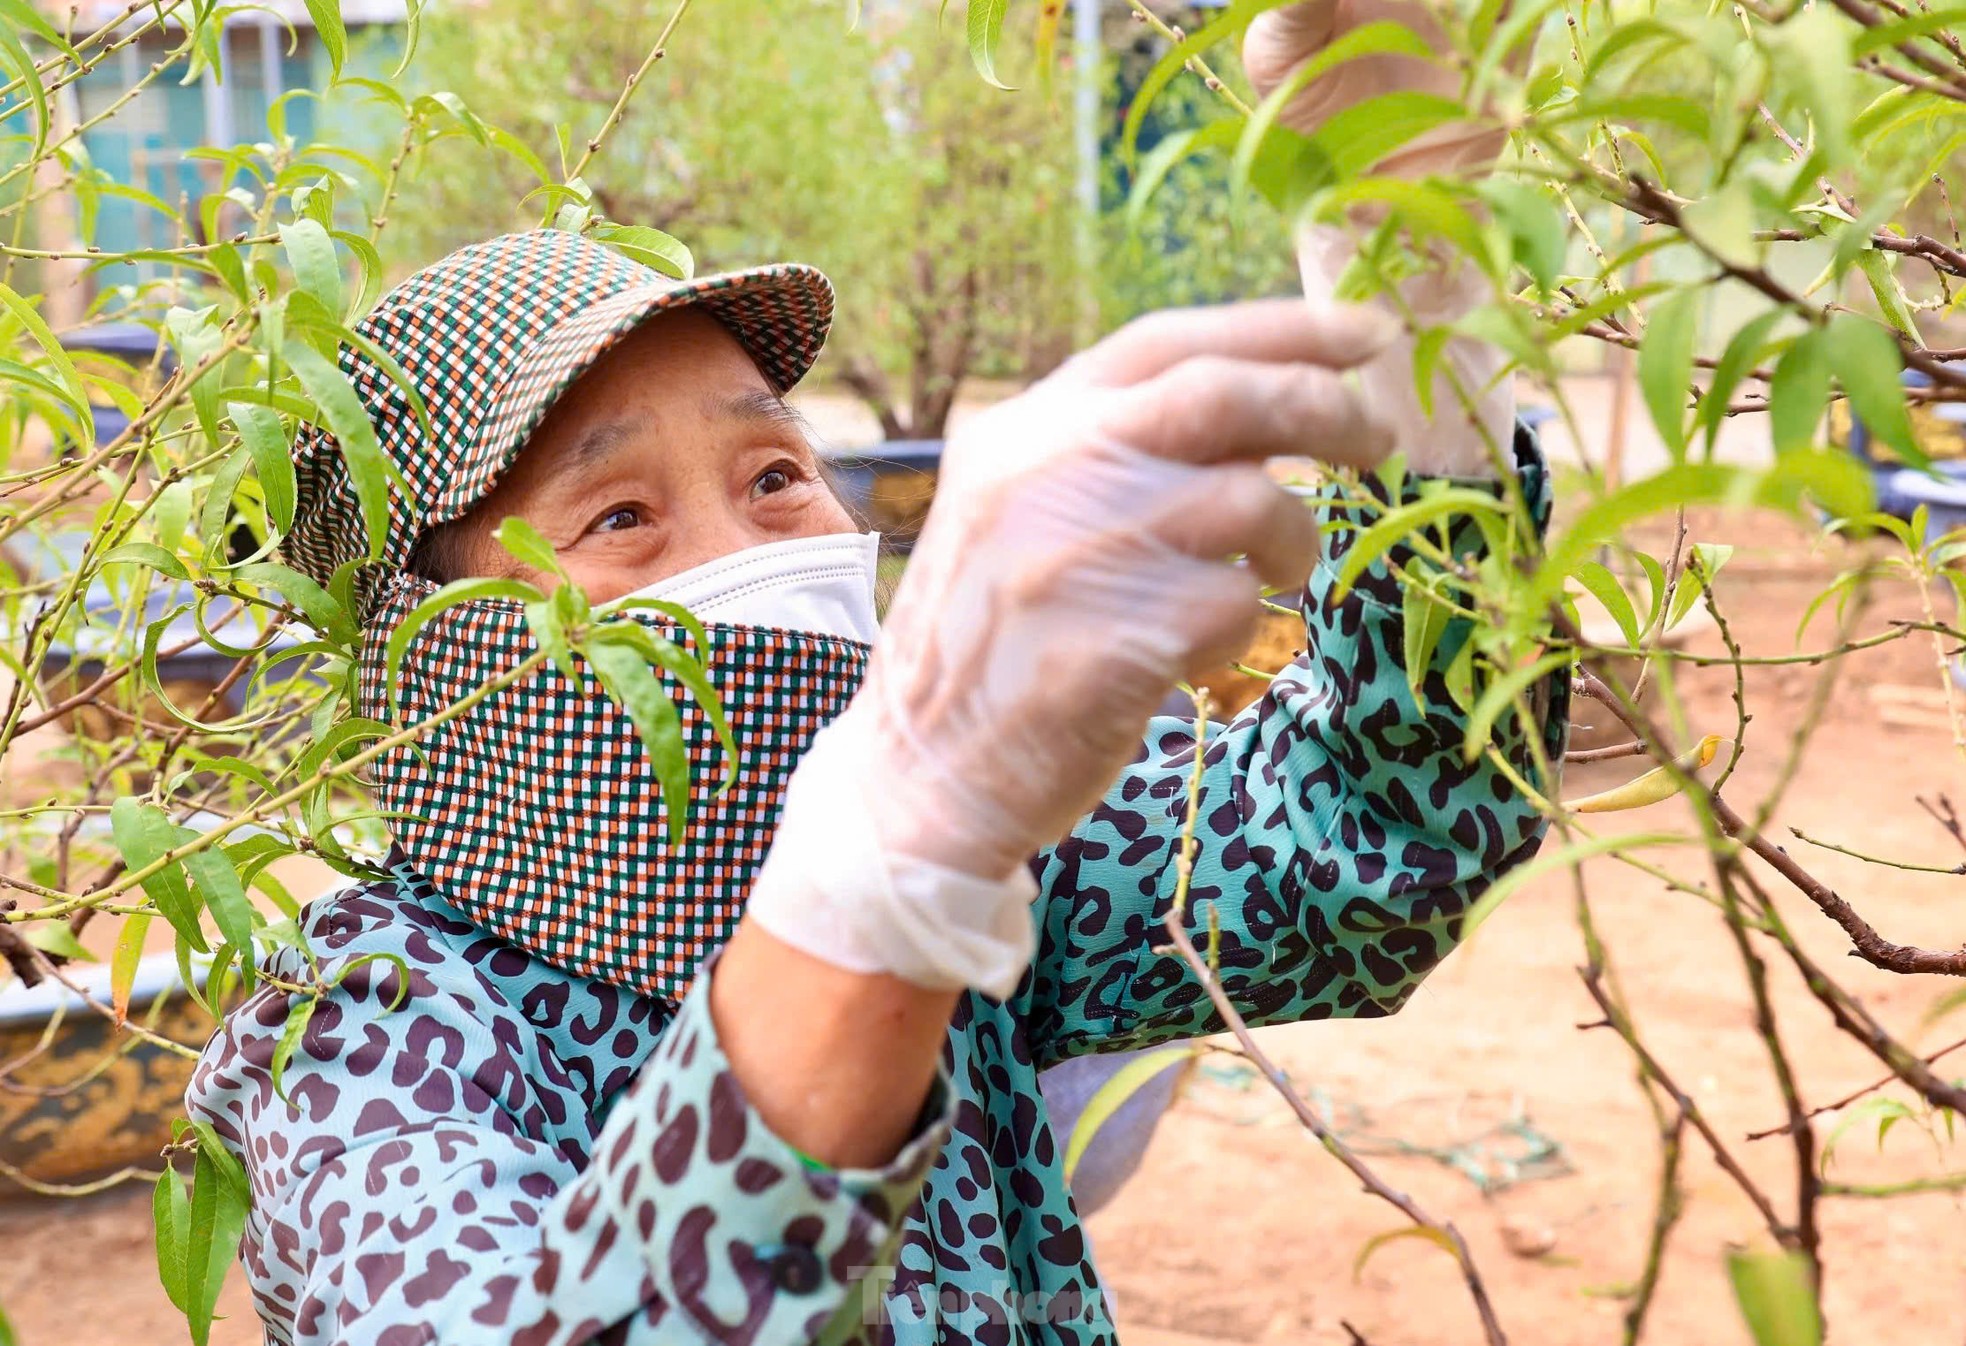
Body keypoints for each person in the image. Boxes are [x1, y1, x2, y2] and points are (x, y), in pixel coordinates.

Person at [186, 4, 1569, 1342]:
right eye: (620, 518)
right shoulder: (377, 1033)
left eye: (776, 474)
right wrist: (884, 865)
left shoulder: (1008, 869)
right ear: (435, 647)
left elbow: (1380, 838)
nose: (743, 552)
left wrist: (1413, 290)